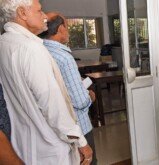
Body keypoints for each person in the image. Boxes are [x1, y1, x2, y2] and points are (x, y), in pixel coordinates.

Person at [0, 0, 92, 164]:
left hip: (25, 144)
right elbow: (53, 106)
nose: (44, 17)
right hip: (50, 146)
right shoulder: (31, 49)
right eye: (39, 11)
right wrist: (81, 142)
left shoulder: (4, 43)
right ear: (22, 13)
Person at [38, 12, 98, 164]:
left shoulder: (41, 51)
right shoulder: (64, 57)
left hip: (55, 128)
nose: (68, 31)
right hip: (78, 126)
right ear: (60, 29)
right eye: (67, 27)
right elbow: (80, 101)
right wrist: (89, 96)